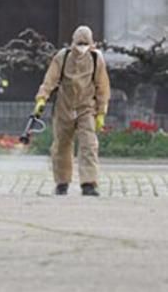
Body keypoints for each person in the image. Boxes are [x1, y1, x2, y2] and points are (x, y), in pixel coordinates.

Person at [34, 25, 111, 196]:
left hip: (86, 108)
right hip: (64, 107)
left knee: (89, 145)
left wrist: (101, 112)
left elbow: (103, 87)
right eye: (79, 43)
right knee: (61, 146)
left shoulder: (96, 59)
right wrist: (41, 98)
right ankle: (62, 182)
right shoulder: (62, 57)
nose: (81, 46)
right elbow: (50, 80)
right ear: (73, 42)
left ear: (91, 43)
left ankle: (88, 183)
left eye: (85, 43)